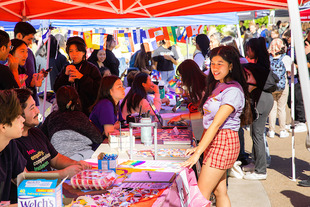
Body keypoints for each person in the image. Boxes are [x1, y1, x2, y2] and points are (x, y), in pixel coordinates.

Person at [181, 46, 252, 206]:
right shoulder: (219, 85)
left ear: (231, 65)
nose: (215, 68)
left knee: (198, 196)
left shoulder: (233, 90)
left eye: (220, 63)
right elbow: (206, 115)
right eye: (212, 63)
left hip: (224, 142)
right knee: (220, 192)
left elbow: (217, 123)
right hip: (214, 140)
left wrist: (197, 151)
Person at [14, 88, 91, 178]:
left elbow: (55, 159)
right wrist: (63, 173)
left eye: (35, 106)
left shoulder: (36, 132)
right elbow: (23, 178)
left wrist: (76, 163)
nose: (37, 111)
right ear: (18, 113)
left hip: (52, 188)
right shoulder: (13, 142)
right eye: (32, 108)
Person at [40, 86, 103, 160]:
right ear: (76, 100)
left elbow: (40, 137)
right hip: (84, 158)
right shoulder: (80, 116)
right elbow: (98, 138)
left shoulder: (51, 117)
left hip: (60, 162)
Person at [243, 37, 274, 179]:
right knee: (255, 134)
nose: (247, 51)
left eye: (249, 48)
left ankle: (261, 170)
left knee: (257, 135)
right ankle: (256, 163)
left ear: (254, 50)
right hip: (262, 100)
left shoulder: (255, 68)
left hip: (262, 101)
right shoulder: (260, 65)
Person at [54, 36, 102, 116]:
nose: (74, 54)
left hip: (87, 112)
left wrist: (82, 77)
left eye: (77, 51)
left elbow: (98, 90)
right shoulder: (67, 68)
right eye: (71, 51)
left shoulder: (92, 68)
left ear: (83, 52)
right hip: (67, 112)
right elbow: (56, 89)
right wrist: (65, 76)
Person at [0, 89, 26, 202]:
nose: (23, 120)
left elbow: (24, 181)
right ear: (3, 127)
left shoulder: (9, 144)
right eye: (17, 116)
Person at [14, 22, 45, 106]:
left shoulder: (30, 53)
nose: (31, 42)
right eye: (29, 39)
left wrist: (36, 78)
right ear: (19, 36)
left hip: (31, 100)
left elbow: (30, 78)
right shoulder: (7, 59)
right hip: (19, 104)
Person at [168, 59, 207, 124]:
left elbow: (203, 113)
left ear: (187, 76)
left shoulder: (203, 87)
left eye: (182, 76)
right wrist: (177, 106)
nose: (181, 79)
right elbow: (185, 96)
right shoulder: (195, 85)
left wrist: (182, 116)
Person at [267, 38, 290, 138]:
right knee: (281, 108)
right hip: (283, 86)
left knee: (272, 109)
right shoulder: (286, 58)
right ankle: (282, 130)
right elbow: (290, 73)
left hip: (271, 87)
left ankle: (271, 130)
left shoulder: (268, 59)